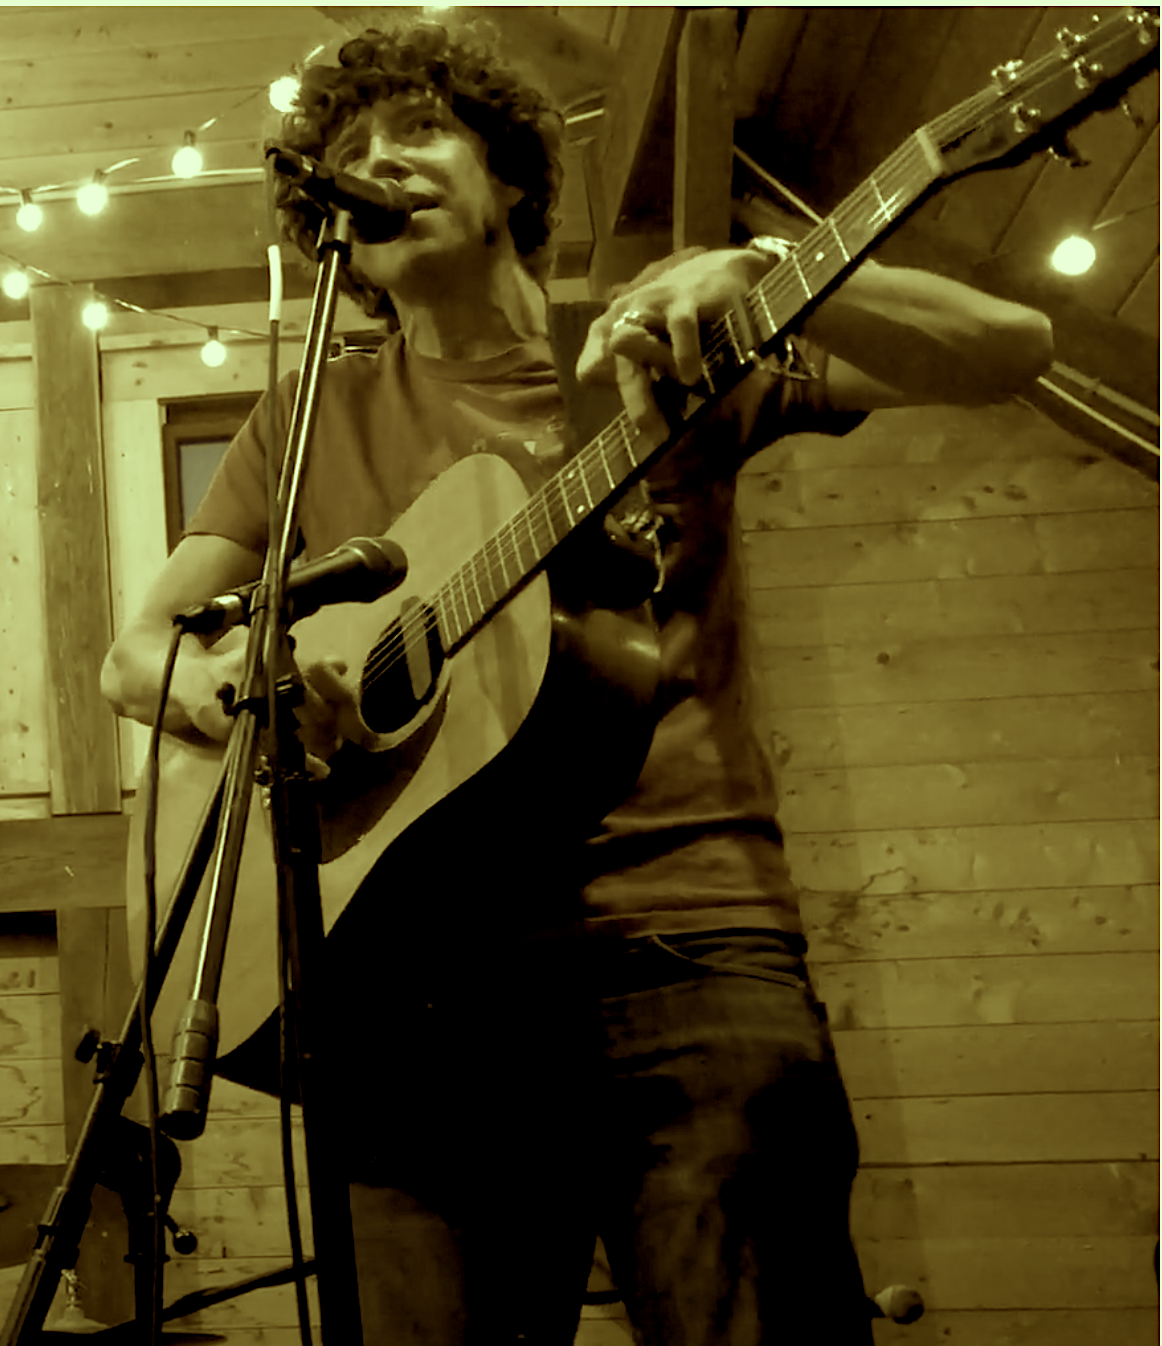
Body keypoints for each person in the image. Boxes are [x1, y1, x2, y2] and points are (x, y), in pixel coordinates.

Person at [101, 19, 1053, 1345]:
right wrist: (249, 693)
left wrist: (767, 268)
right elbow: (137, 652)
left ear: (509, 178)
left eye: (419, 131)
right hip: (412, 995)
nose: (381, 161)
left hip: (680, 950)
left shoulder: (649, 352)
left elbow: (1009, 348)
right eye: (353, 150)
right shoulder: (307, 417)